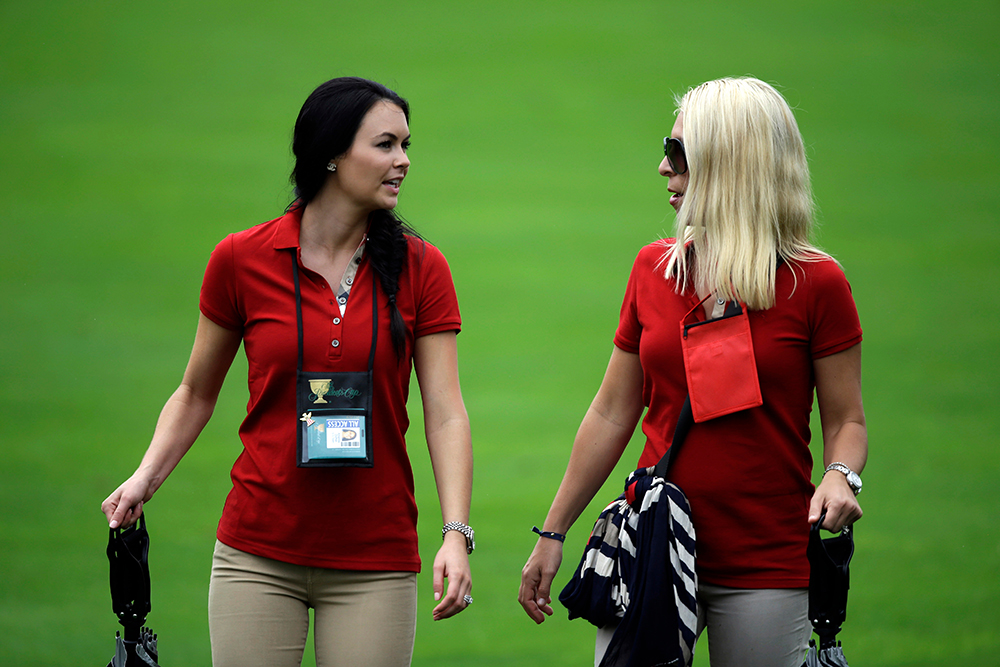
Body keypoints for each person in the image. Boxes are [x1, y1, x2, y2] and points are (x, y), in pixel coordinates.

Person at [102, 77, 474, 667]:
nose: (403, 161)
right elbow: (196, 392)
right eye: (385, 145)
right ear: (330, 153)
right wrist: (147, 474)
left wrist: (456, 531)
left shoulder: (423, 269)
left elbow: (446, 412)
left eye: (406, 145)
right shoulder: (240, 260)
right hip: (257, 553)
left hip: (375, 559)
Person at [518, 77, 867, 667]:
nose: (662, 168)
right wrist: (552, 534)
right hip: (653, 545)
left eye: (677, 155)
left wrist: (839, 475)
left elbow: (847, 420)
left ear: (730, 165)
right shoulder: (653, 269)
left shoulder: (817, 283)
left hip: (765, 556)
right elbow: (611, 410)